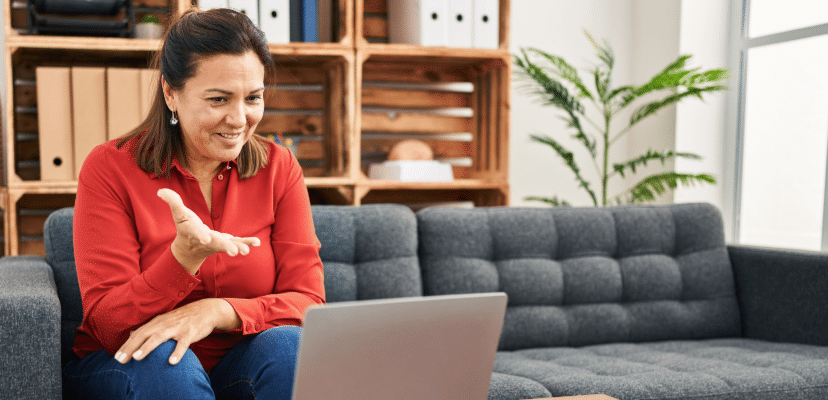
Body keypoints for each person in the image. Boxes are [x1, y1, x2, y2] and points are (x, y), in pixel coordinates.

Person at [62, 7, 325, 400]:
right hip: (129, 362)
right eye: (219, 99)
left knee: (290, 347)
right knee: (168, 362)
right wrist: (183, 258)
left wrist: (218, 312)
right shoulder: (109, 168)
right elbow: (108, 323)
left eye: (253, 98)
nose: (239, 119)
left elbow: (309, 303)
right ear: (171, 92)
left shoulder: (278, 167)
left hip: (238, 363)